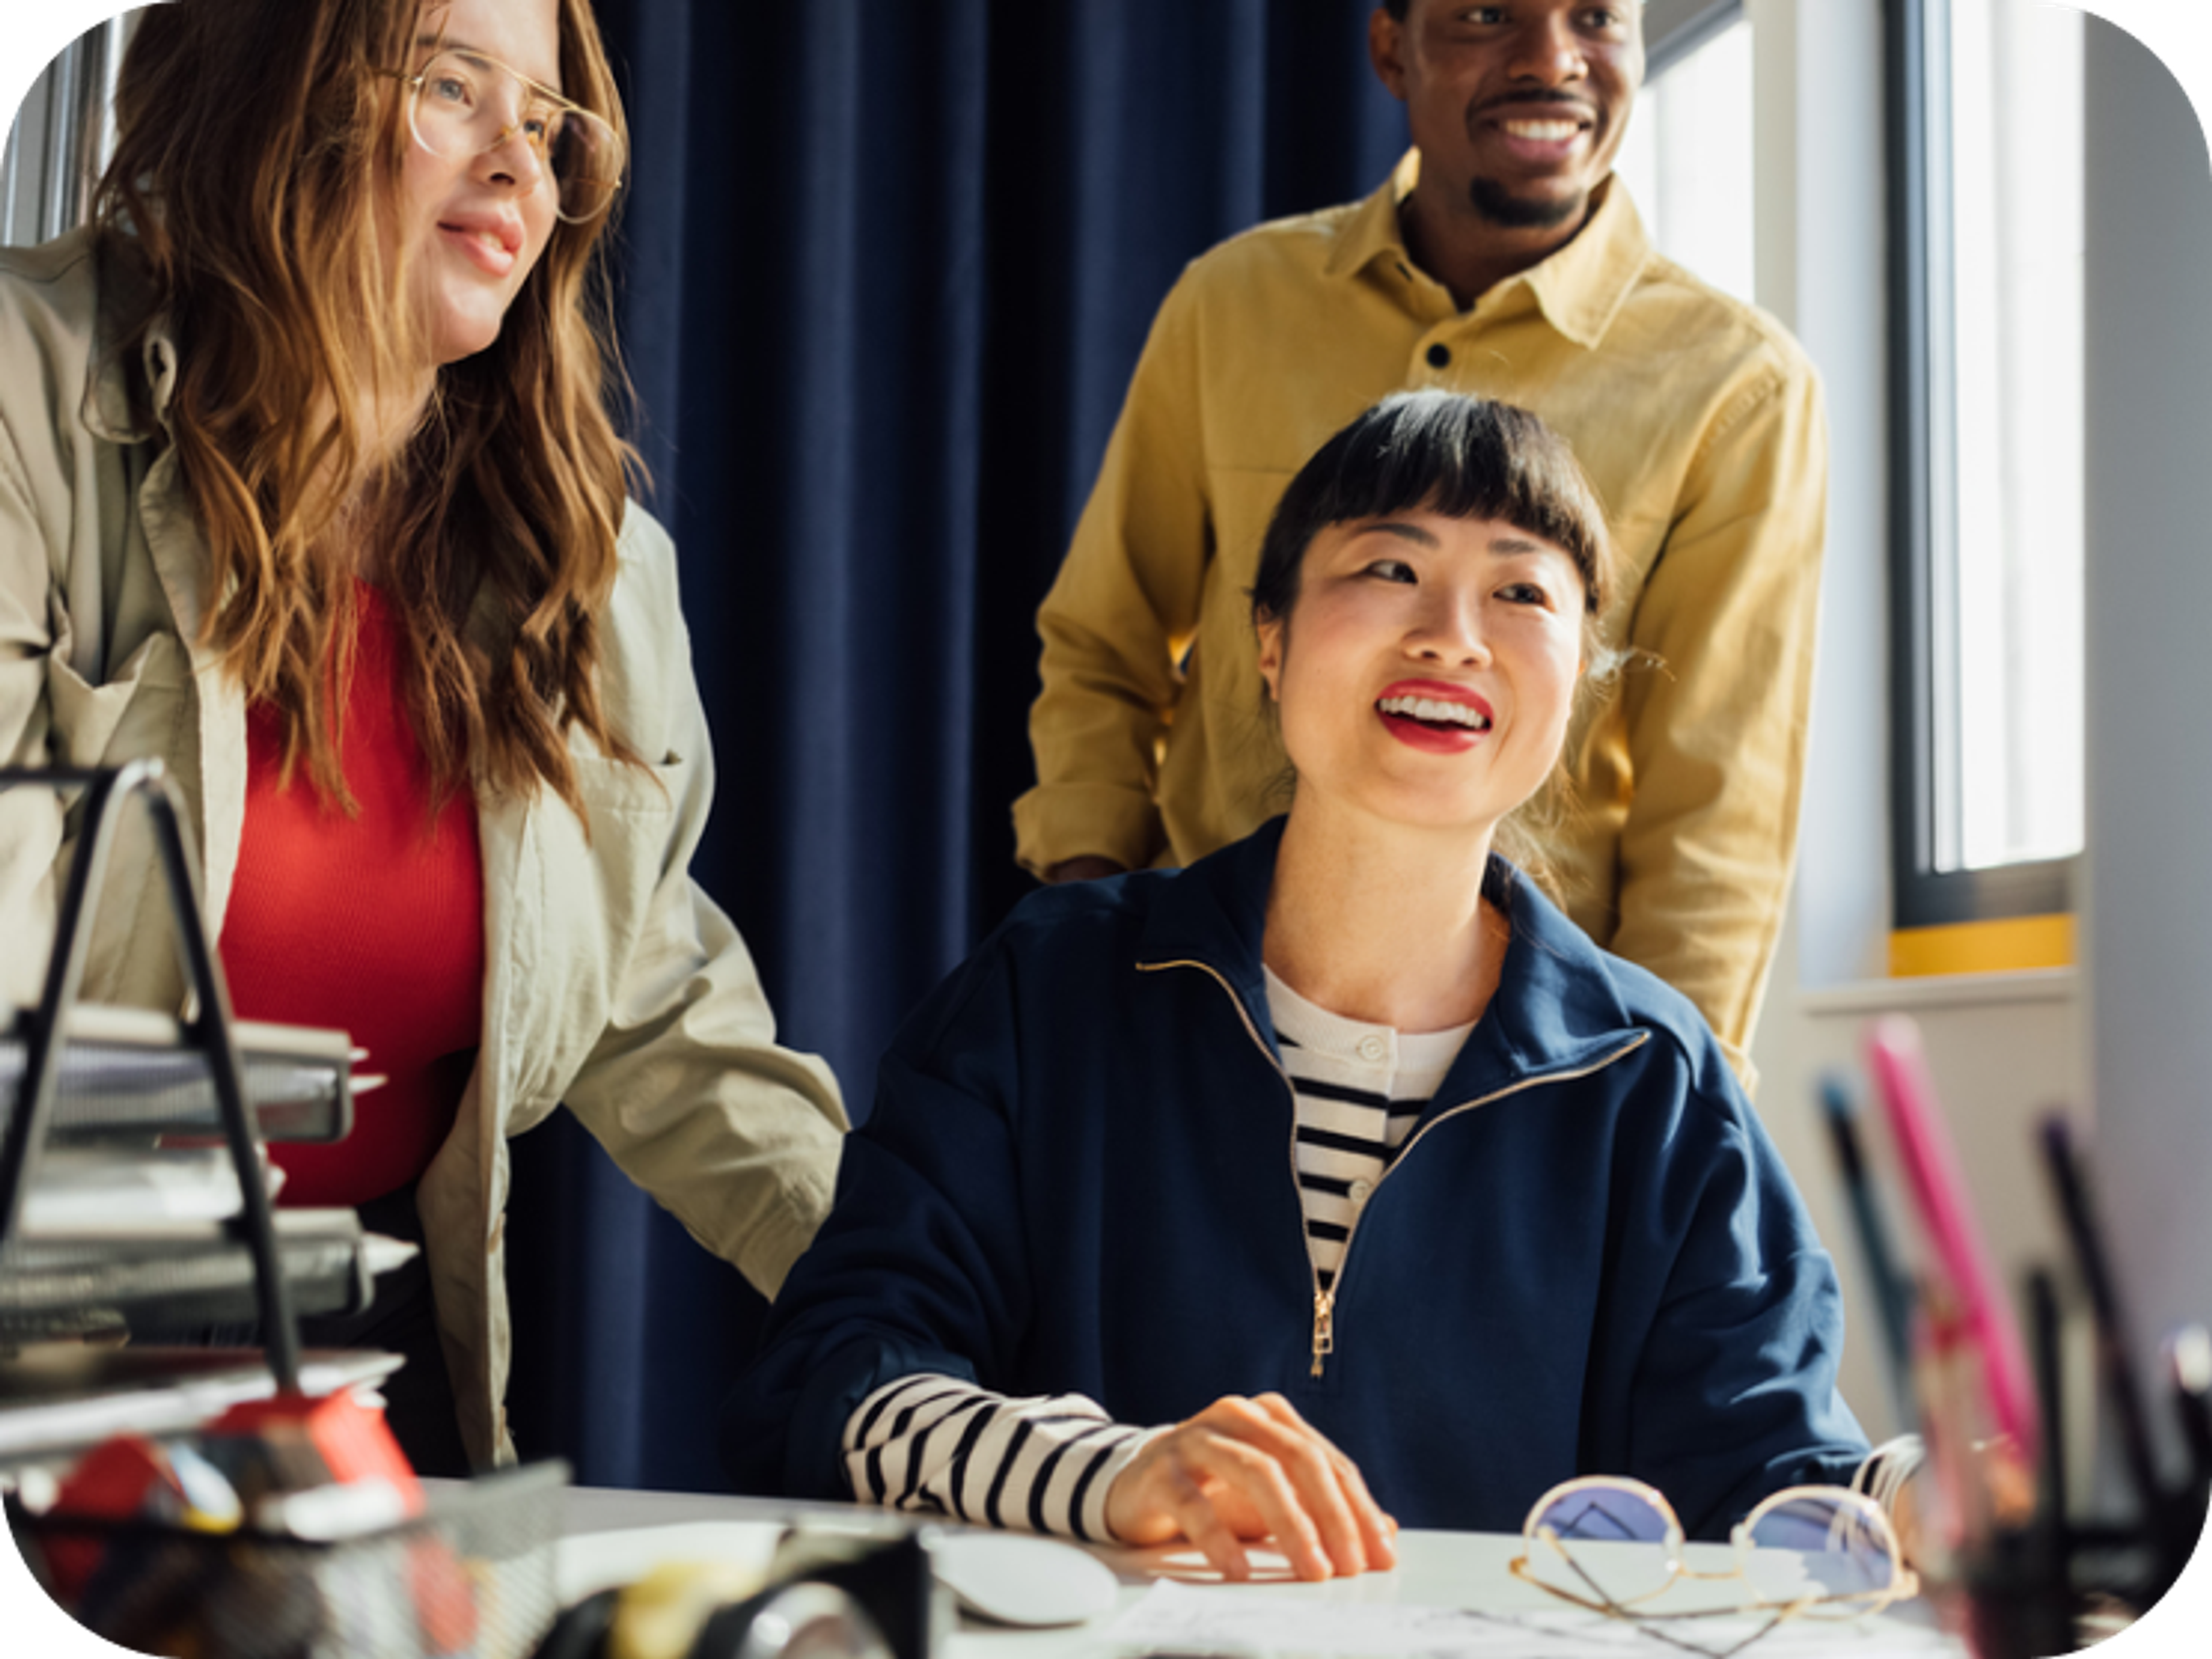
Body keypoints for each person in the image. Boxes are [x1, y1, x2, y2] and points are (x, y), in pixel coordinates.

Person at [722, 391, 1885, 1579]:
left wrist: (1925, 1493)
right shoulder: (1048, 991)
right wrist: (1107, 1474)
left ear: (1581, 676)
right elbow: (829, 1383)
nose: (1454, 634)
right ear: (1267, 639)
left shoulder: (1657, 1080)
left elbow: (1778, 1481)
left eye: (1522, 591)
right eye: (1389, 566)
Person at [0, 0, 846, 1474]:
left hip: (349, 1363)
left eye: (549, 120)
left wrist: (931, 1328)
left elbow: (654, 1005)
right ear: (276, 81)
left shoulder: (597, 568)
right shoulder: (24, 386)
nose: (521, 164)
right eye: (454, 86)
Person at [1016, 0, 1826, 1084]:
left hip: (1516, 1063)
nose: (1552, 61)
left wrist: (1652, 1119)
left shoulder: (1739, 389)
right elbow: (1104, 647)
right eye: (1490, 14)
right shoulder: (1232, 306)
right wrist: (1090, 942)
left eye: (1596, 16)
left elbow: (1717, 815)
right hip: (1187, 1010)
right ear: (1391, 46)